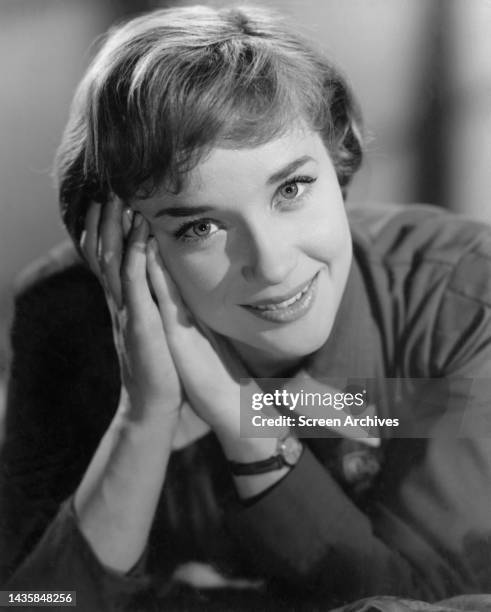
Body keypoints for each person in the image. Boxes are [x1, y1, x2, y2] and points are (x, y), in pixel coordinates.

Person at [1, 5, 491, 611]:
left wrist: (242, 417)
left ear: (338, 163)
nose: (273, 264)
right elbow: (34, 601)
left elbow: (441, 602)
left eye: (291, 189)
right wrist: (143, 418)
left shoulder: (467, 296)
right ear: (124, 245)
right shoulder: (68, 322)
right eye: (201, 226)